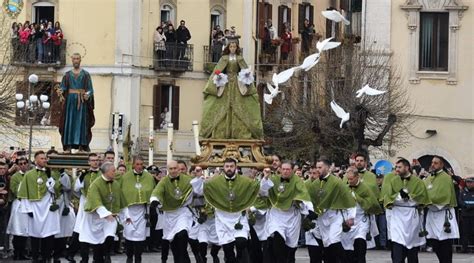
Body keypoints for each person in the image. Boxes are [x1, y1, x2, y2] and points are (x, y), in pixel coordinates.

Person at [191, 158, 261, 263]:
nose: (229, 169)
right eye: (227, 166)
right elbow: (199, 190)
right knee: (228, 249)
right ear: (223, 167)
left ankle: (240, 256)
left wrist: (266, 175)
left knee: (241, 242)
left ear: (236, 167)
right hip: (222, 217)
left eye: (231, 166)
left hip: (238, 216)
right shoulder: (214, 181)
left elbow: (258, 187)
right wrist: (198, 177)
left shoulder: (244, 180)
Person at [200, 42, 263, 139]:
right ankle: (220, 133)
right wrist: (218, 77)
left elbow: (245, 70)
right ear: (228, 48)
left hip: (237, 85)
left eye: (234, 47)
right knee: (220, 106)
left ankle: (240, 134)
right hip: (226, 83)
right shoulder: (224, 59)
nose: (233, 48)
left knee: (241, 106)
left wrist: (246, 77)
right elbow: (217, 70)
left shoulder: (239, 59)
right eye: (231, 46)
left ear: (237, 48)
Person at [260, 161, 314, 263]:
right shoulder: (274, 179)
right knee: (277, 238)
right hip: (277, 214)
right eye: (283, 169)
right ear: (280, 169)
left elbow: (304, 195)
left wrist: (310, 210)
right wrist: (265, 177)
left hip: (291, 215)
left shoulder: (297, 181)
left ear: (292, 170)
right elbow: (263, 191)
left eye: (288, 169)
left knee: (290, 247)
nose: (285, 172)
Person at [306, 159, 356, 263]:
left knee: (334, 240)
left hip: (334, 215)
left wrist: (351, 217)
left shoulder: (337, 182)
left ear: (328, 168)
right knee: (327, 243)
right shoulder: (315, 184)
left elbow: (349, 199)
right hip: (321, 217)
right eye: (317, 167)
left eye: (320, 167)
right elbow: (310, 199)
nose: (318, 170)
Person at [383, 158, 431, 263]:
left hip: (411, 217)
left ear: (407, 167)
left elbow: (423, 197)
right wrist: (399, 196)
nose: (397, 169)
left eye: (399, 167)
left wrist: (409, 196)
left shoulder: (418, 182)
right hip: (397, 216)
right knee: (397, 248)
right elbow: (387, 197)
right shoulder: (393, 181)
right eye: (396, 167)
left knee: (412, 251)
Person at [17, 151, 61, 263]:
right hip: (35, 206)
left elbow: (57, 190)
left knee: (49, 233)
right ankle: (35, 257)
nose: (44, 160)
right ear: (36, 160)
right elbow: (24, 193)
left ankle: (47, 256)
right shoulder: (29, 174)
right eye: (41, 158)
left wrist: (51, 182)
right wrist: (28, 209)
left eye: (45, 158)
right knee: (35, 233)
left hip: (48, 206)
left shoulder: (52, 173)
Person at [83, 162, 130, 263]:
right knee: (98, 241)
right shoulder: (96, 184)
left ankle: (107, 255)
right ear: (106, 172)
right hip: (97, 217)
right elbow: (95, 201)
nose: (115, 172)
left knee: (110, 237)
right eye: (113, 171)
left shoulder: (116, 184)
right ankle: (97, 259)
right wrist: (105, 213)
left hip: (111, 218)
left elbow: (122, 201)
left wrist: (126, 215)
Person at [150, 160, 193, 263]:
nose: (173, 171)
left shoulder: (187, 180)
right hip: (169, 214)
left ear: (178, 169)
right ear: (168, 170)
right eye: (171, 169)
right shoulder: (164, 181)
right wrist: (154, 200)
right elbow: (157, 191)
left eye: (175, 168)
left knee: (182, 234)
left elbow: (198, 188)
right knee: (172, 240)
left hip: (182, 212)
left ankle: (183, 257)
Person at [66, 153, 102, 263]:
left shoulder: (102, 174)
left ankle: (98, 257)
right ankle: (80, 256)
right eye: (92, 160)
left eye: (96, 160)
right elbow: (76, 189)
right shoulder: (84, 174)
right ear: (89, 162)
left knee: (97, 230)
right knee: (81, 230)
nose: (95, 162)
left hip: (98, 204)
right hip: (85, 203)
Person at [341, 167, 382, 263]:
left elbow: (371, 203)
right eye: (348, 179)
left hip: (361, 221)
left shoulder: (365, 188)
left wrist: (357, 197)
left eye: (351, 179)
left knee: (360, 245)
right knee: (348, 250)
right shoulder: (345, 188)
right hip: (348, 221)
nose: (349, 181)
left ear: (357, 177)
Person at [120, 156, 156, 263]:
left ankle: (138, 258)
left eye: (141, 164)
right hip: (129, 210)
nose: (139, 166)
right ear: (133, 165)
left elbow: (152, 190)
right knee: (129, 234)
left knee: (140, 236)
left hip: (142, 210)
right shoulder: (125, 177)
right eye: (137, 164)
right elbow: (122, 192)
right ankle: (129, 256)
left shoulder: (149, 177)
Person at [424, 156, 459, 263]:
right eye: (432, 162)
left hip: (443, 213)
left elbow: (444, 195)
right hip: (432, 213)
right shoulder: (429, 178)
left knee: (445, 244)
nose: (433, 164)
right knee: (435, 242)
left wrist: (429, 199)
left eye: (436, 163)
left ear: (441, 165)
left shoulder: (446, 178)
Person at [58, 53, 95, 153]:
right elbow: (63, 87)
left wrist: (87, 94)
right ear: (72, 60)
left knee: (81, 122)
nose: (76, 60)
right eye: (74, 58)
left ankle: (82, 146)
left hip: (81, 102)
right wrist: (60, 90)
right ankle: (68, 146)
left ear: (80, 60)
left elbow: (90, 89)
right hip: (70, 102)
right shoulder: (67, 75)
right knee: (69, 122)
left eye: (77, 58)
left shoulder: (86, 74)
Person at [6, 157, 31, 260]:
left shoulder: (31, 175)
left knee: (26, 229)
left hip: (28, 204)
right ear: (18, 165)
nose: (23, 165)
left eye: (25, 163)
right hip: (19, 204)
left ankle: (23, 252)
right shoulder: (15, 177)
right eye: (20, 164)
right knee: (18, 229)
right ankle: (17, 252)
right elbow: (15, 190)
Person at [459, 177, 474, 253]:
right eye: (468, 182)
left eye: (471, 182)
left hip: (473, 215)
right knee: (465, 232)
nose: (469, 184)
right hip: (465, 215)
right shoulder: (463, 192)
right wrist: (465, 205)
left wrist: (471, 206)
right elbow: (460, 201)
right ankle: (464, 248)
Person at [0, 161, 10, 259]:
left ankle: (3, 249)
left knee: (4, 229)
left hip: (4, 208)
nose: (2, 170)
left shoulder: (7, 178)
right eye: (0, 168)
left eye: (3, 168)